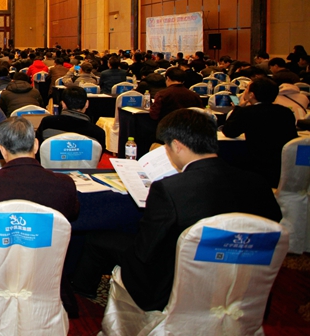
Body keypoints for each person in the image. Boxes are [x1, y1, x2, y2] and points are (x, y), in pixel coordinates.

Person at [71, 109, 282, 312]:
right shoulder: (258, 183)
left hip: (171, 285)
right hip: (242, 282)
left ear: (177, 146)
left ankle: (82, 289)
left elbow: (145, 249)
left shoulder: (169, 189)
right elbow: (272, 229)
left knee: (99, 238)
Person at [0, 117, 79, 295]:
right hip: (44, 272)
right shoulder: (63, 183)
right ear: (36, 145)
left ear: (1, 150)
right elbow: (73, 214)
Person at [221, 77, 298, 188]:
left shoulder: (248, 112)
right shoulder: (285, 111)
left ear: (251, 95)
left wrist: (238, 108)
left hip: (256, 165)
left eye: (247, 89)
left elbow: (229, 131)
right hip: (282, 165)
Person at [35, 85, 106, 149]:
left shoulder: (47, 123)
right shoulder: (98, 133)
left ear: (63, 104)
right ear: (87, 104)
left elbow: (37, 148)